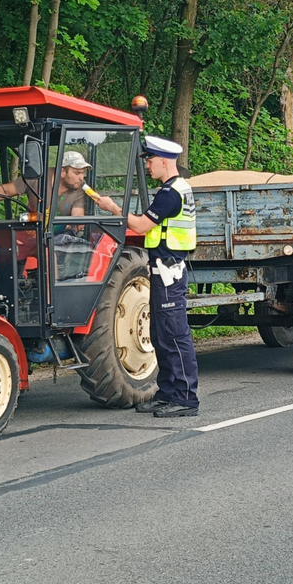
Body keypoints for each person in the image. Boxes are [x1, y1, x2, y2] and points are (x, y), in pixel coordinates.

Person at [92, 134, 198, 418]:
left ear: (164, 161)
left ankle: (186, 399)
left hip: (169, 272)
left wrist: (113, 208)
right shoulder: (176, 189)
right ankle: (167, 394)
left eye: (150, 161)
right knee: (160, 334)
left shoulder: (170, 193)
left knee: (174, 336)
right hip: (165, 271)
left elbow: (139, 226)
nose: (148, 166)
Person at [0, 150, 91, 220]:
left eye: (83, 173)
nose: (81, 177)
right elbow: (5, 191)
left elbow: (78, 214)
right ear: (62, 172)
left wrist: (77, 222)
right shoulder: (37, 177)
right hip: (31, 233)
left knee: (48, 253)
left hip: (60, 241)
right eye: (77, 173)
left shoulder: (80, 187)